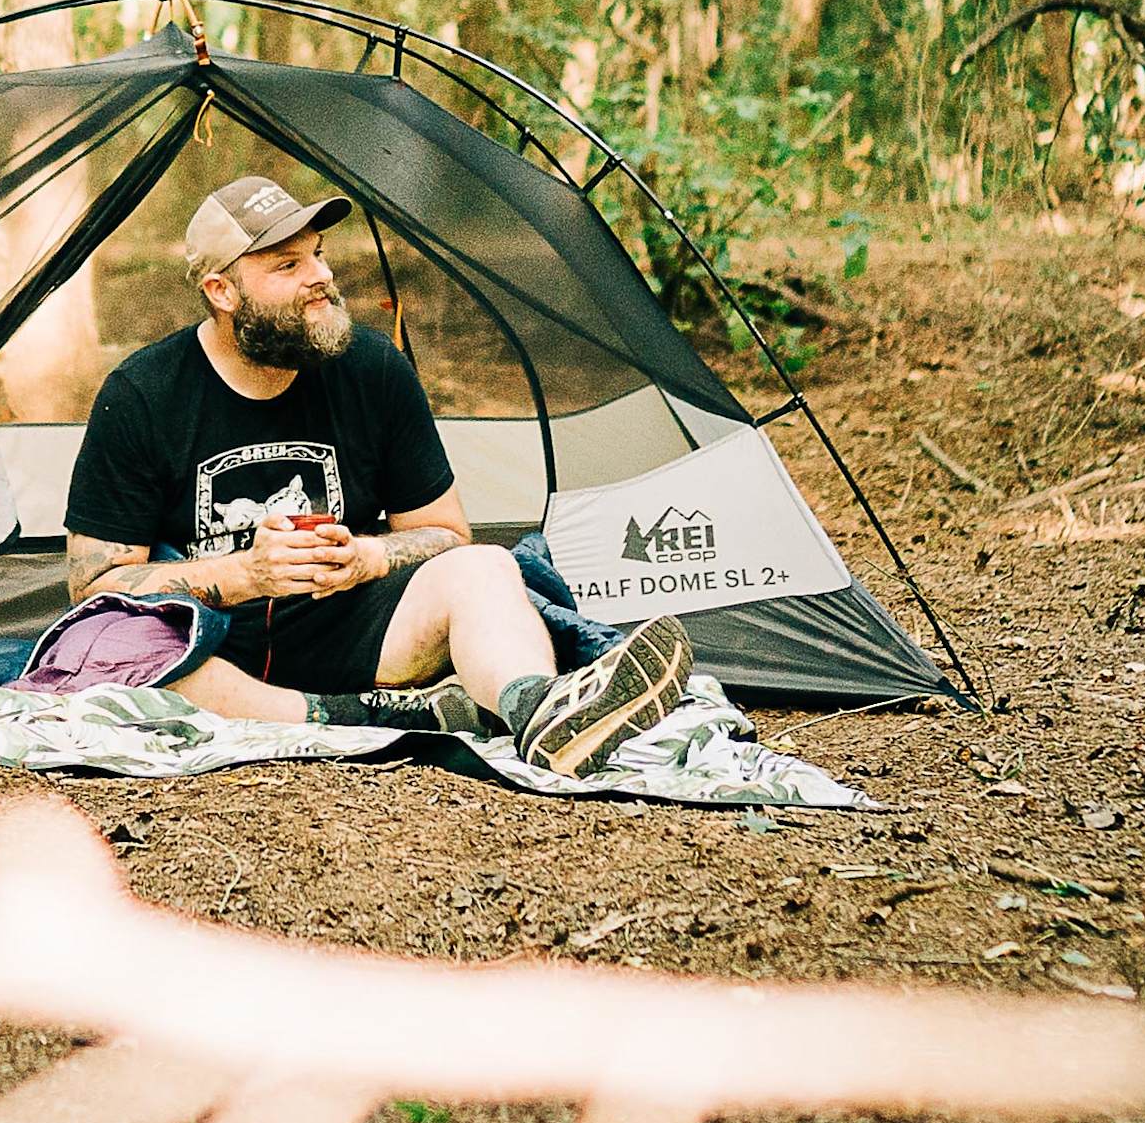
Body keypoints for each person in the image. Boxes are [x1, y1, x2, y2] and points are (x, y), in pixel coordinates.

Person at [59, 175, 689, 776]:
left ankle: (542, 711)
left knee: (487, 567)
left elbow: (445, 533)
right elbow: (95, 588)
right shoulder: (142, 393)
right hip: (217, 648)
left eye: (318, 255)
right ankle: (356, 718)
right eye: (287, 265)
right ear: (223, 292)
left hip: (359, 628)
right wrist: (246, 573)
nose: (322, 278)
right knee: (113, 644)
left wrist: (366, 558)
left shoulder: (372, 368)